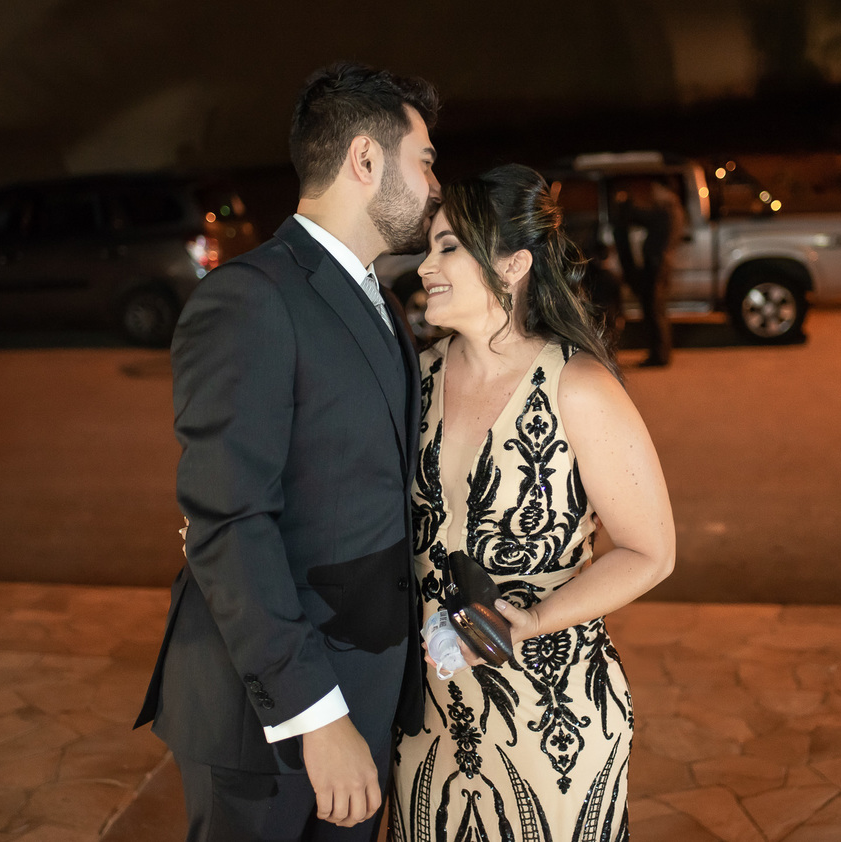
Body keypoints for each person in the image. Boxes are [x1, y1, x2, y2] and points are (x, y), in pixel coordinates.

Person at [134, 63, 441, 842]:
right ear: (366, 161)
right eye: (426, 160)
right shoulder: (250, 299)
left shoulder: (375, 298)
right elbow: (229, 521)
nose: (436, 184)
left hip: (360, 692)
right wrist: (317, 716)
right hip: (271, 717)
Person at [389, 164, 676, 840]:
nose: (425, 265)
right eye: (429, 247)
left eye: (448, 246)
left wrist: (535, 618)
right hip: (428, 719)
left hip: (552, 724)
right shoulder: (416, 381)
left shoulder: (578, 387)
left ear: (513, 264)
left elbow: (650, 551)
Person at [612, 178, 683, 367]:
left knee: (654, 310)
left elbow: (640, 216)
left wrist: (624, 204)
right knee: (656, 309)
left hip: (657, 265)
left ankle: (659, 356)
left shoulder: (667, 210)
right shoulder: (672, 210)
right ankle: (660, 354)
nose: (653, 194)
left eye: (656, 189)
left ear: (665, 190)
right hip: (660, 264)